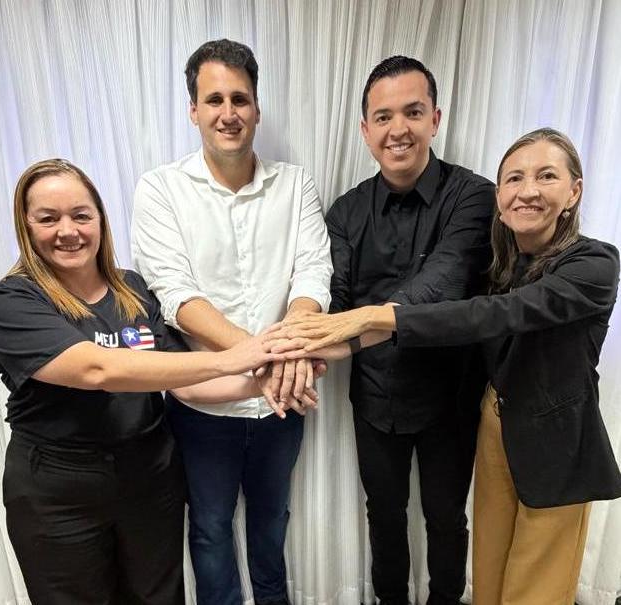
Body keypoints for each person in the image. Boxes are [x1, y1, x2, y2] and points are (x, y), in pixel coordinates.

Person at [277, 128, 621, 605]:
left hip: (556, 446)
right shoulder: (502, 265)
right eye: (514, 178)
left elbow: (494, 314)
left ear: (574, 191)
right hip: (495, 424)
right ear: (500, 196)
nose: (527, 191)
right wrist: (315, 344)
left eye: (546, 176)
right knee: (488, 576)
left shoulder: (595, 263)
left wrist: (372, 317)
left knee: (534, 587)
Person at [0, 158, 292, 605]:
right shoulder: (12, 300)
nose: (68, 231)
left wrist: (262, 385)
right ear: (26, 226)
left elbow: (184, 383)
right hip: (60, 493)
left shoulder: (131, 288)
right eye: (48, 218)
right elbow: (98, 370)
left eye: (80, 215)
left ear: (100, 219)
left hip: (150, 480)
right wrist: (235, 358)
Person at [131, 39, 332, 605]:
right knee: (211, 530)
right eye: (214, 100)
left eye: (239, 99)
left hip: (281, 403)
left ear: (257, 109)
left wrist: (277, 361)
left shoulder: (296, 184)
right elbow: (177, 296)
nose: (228, 112)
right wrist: (268, 358)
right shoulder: (160, 189)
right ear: (193, 110)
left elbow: (312, 276)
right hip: (204, 407)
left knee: (272, 526)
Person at [320, 55, 495, 605]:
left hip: (452, 395)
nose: (399, 129)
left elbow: (444, 282)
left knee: (446, 517)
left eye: (413, 112)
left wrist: (354, 329)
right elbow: (335, 300)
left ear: (435, 119)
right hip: (376, 396)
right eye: (384, 116)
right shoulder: (345, 213)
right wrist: (302, 347)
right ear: (365, 129)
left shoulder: (474, 195)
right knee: (384, 515)